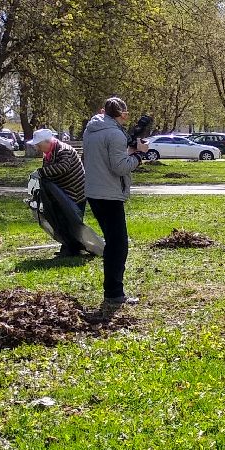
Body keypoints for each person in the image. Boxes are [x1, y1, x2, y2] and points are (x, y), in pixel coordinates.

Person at [81, 97, 144, 308]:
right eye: (126, 113)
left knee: (112, 241)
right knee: (118, 245)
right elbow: (119, 167)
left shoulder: (91, 130)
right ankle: (114, 293)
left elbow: (106, 158)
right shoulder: (115, 134)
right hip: (109, 193)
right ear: (122, 114)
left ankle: (113, 291)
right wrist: (139, 156)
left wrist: (130, 152)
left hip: (94, 191)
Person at [32, 129, 88, 255]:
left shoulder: (64, 150)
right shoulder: (49, 153)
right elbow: (48, 170)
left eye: (39, 145)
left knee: (72, 222)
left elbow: (63, 167)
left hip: (76, 192)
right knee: (62, 221)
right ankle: (68, 247)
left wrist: (41, 172)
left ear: (47, 142)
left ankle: (74, 249)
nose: (38, 148)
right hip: (63, 193)